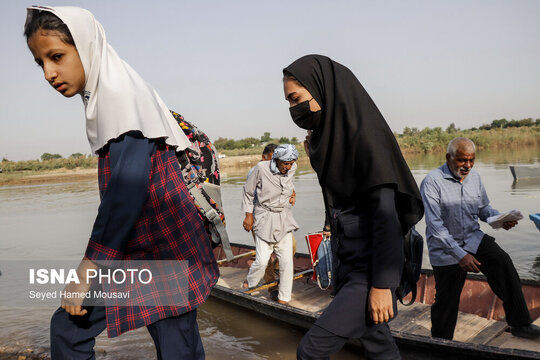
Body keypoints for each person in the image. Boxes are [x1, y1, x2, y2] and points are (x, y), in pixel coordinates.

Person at [24, 6, 218, 359]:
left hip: (162, 251)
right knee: (71, 330)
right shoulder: (110, 95)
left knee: (75, 331)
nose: (50, 73)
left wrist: (88, 268)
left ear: (86, 47)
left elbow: (126, 192)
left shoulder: (119, 96)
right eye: (41, 63)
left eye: (57, 57)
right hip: (142, 251)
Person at [283, 55, 424, 360]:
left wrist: (382, 286)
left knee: (310, 351)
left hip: (370, 270)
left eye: (296, 99)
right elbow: (340, 201)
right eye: (289, 102)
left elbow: (386, 215)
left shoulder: (366, 138)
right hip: (351, 261)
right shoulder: (334, 139)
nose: (293, 109)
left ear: (321, 89)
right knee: (379, 347)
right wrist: (317, 158)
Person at [420, 137, 540, 340]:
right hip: (446, 249)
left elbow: (483, 209)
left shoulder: (474, 178)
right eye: (461, 160)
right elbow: (435, 227)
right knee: (446, 299)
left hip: (473, 238)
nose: (467, 165)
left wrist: (500, 220)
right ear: (448, 157)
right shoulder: (432, 182)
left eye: (471, 160)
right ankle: (441, 342)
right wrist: (460, 255)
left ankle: (520, 324)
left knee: (503, 264)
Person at [241, 144, 300, 304]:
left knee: (287, 262)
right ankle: (253, 282)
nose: (288, 167)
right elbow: (247, 192)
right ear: (275, 159)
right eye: (285, 163)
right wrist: (248, 216)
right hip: (262, 217)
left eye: (291, 163)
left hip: (283, 217)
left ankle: (283, 299)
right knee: (261, 261)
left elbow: (289, 183)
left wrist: (292, 193)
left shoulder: (292, 168)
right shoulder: (259, 169)